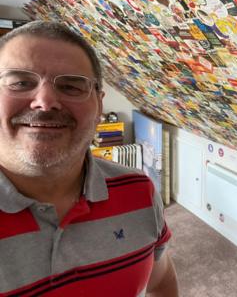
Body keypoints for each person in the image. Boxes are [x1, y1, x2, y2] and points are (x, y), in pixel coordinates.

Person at [0, 21, 179, 296]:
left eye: (72, 86)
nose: (45, 101)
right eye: (21, 82)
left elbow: (161, 278)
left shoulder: (140, 191)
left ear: (99, 105)